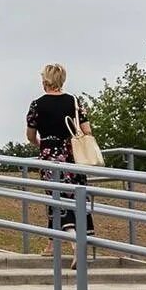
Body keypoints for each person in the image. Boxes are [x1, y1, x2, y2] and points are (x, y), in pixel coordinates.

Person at [26, 63, 95, 268]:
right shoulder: (74, 101)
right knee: (75, 199)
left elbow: (30, 135)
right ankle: (53, 244)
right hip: (73, 157)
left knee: (57, 201)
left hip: (50, 157)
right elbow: (87, 130)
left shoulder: (37, 105)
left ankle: (75, 245)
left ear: (45, 80)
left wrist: (42, 144)